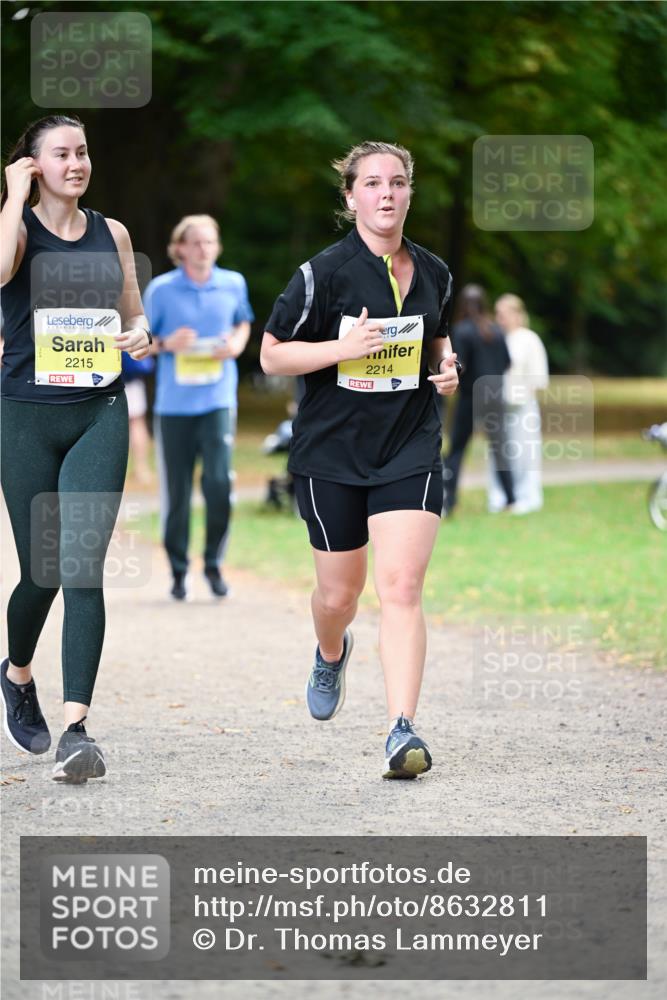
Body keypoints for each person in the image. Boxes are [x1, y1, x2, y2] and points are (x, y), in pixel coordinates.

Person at [261, 141, 460, 779]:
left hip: (409, 444)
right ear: (351, 199)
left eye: (397, 182)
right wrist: (339, 349)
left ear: (408, 194)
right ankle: (329, 649)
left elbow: (438, 342)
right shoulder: (320, 274)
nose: (386, 193)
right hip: (332, 453)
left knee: (400, 587)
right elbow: (271, 356)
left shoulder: (433, 271)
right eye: (372, 183)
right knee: (338, 595)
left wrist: (447, 369)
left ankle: (402, 729)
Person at [0, 115, 151, 783]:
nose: (77, 162)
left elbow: (132, 314)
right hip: (25, 417)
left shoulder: (111, 233)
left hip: (99, 411)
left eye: (82, 151)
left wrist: (142, 336)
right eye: (61, 153)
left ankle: (77, 729)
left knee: (82, 566)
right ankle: (16, 672)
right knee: (42, 572)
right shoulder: (17, 227)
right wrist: (11, 198)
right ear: (33, 165)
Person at [144, 215, 253, 600]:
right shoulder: (160, 290)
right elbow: (142, 343)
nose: (204, 249)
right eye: (196, 242)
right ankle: (177, 571)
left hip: (218, 400)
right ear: (180, 249)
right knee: (176, 492)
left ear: (217, 247)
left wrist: (237, 345)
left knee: (220, 484)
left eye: (210, 242)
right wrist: (166, 343)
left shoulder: (233, 283)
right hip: (174, 406)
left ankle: (213, 563)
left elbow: (243, 324)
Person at [442, 284, 515, 515]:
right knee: (500, 447)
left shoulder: (462, 331)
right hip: (494, 395)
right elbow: (507, 362)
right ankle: (511, 498)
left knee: (457, 449)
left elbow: (459, 365)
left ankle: (449, 501)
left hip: (470, 397)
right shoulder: (496, 330)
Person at [487, 293, 549, 514]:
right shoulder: (494, 338)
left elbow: (538, 376)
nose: (499, 318)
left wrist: (520, 396)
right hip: (498, 406)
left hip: (523, 406)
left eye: (503, 314)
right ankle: (501, 496)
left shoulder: (529, 339)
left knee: (524, 453)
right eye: (498, 314)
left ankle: (526, 496)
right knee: (498, 453)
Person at [121, 349, 155, 486]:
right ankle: (141, 469)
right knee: (136, 422)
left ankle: (140, 470)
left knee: (135, 423)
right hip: (127, 376)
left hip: (109, 376)